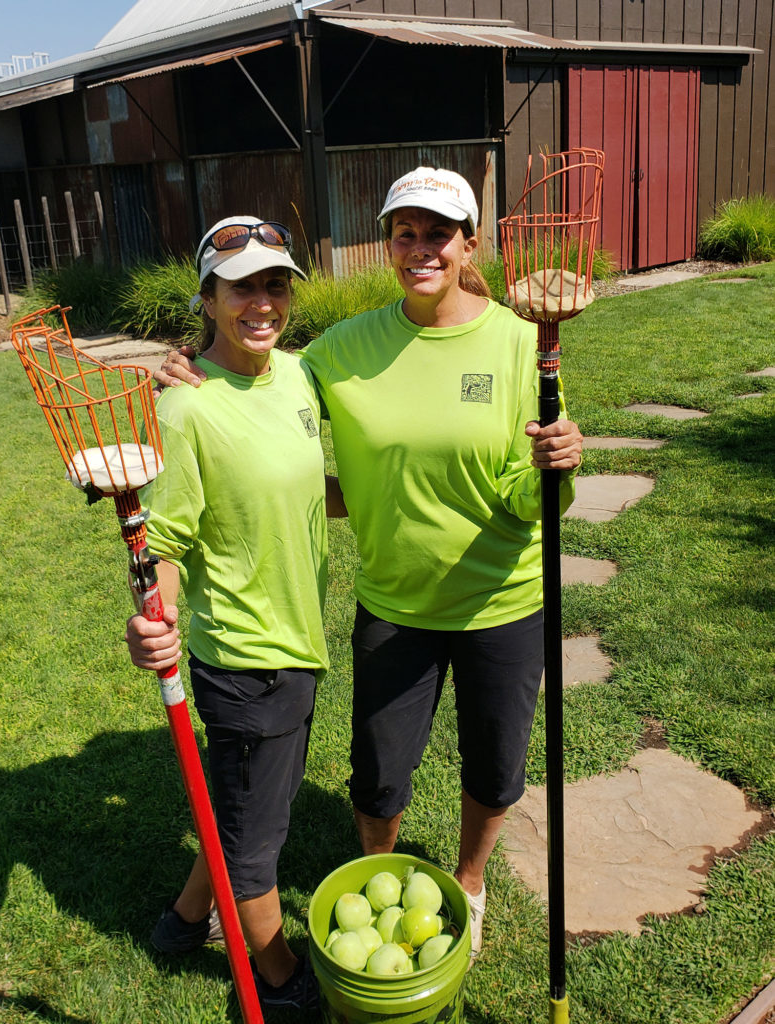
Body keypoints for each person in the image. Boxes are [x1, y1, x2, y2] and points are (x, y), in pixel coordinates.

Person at [153, 169, 583, 962]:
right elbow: (257, 379)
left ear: (469, 244)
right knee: (379, 776)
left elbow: (532, 503)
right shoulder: (342, 351)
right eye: (404, 233)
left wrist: (556, 471)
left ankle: (471, 881)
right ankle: (374, 871)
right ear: (388, 244)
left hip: (502, 601)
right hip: (393, 603)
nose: (419, 248)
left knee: (494, 769)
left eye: (437, 233)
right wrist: (190, 365)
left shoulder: (524, 343)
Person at [125, 215, 346, 1010]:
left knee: (242, 803)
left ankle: (184, 922)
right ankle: (280, 982)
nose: (262, 301)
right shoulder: (186, 409)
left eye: (274, 282)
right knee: (258, 844)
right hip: (250, 658)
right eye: (241, 286)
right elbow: (170, 537)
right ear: (207, 299)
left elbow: (308, 489)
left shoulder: (295, 377)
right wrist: (158, 616)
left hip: (299, 639)